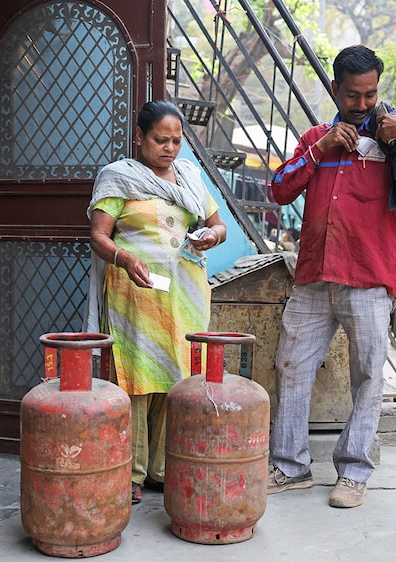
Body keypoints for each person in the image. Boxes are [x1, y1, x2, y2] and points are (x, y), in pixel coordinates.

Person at [267, 45, 396, 508]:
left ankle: (353, 473)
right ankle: (290, 467)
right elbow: (279, 188)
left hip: (369, 277)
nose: (364, 103)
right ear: (335, 90)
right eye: (354, 95)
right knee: (291, 367)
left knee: (369, 375)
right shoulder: (317, 138)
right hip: (313, 275)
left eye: (371, 94)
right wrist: (320, 148)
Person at [84, 100, 227, 504]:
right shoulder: (119, 178)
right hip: (136, 291)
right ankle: (130, 472)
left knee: (176, 376)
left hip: (184, 291)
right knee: (136, 378)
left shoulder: (190, 177)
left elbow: (218, 225)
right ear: (140, 138)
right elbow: (99, 236)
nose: (170, 148)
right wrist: (126, 258)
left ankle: (163, 469)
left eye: (176, 140)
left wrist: (210, 237)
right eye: (160, 140)